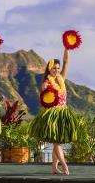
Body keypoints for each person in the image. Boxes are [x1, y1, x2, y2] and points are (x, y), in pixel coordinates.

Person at [29, 47, 80, 175]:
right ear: (49, 69)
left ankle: (54, 167)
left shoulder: (61, 78)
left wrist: (66, 48)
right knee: (57, 142)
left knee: (58, 143)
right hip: (53, 115)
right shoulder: (46, 83)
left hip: (63, 113)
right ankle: (64, 166)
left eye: (58, 68)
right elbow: (44, 101)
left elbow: (66, 62)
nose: (57, 71)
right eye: (54, 68)